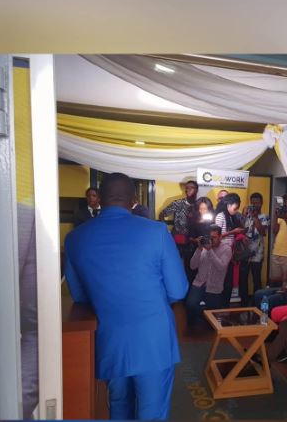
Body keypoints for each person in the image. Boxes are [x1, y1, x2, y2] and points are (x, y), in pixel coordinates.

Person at [64, 172, 188, 420]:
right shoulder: (156, 232)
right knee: (151, 413)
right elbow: (178, 290)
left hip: (110, 340)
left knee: (119, 405)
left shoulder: (75, 238)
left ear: (99, 199)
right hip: (153, 341)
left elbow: (79, 295)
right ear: (133, 200)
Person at [185, 225, 232, 326]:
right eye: (210, 237)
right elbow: (192, 266)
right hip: (199, 283)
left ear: (220, 237)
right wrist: (199, 249)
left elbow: (221, 267)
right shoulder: (203, 247)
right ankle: (201, 319)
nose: (211, 240)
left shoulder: (226, 249)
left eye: (214, 237)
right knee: (190, 305)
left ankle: (207, 318)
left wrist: (210, 250)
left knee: (212, 321)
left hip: (214, 287)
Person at [239, 192, 270, 306]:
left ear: (261, 203)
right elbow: (240, 229)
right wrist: (244, 215)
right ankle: (243, 304)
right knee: (243, 280)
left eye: (257, 203)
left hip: (257, 253)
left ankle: (257, 305)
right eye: (253, 203)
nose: (255, 205)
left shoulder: (265, 216)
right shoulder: (246, 216)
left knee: (256, 279)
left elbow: (262, 232)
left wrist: (255, 217)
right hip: (245, 252)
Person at [215, 192, 245, 307]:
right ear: (228, 205)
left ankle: (225, 307)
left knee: (229, 283)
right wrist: (233, 231)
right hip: (221, 254)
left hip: (231, 254)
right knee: (222, 282)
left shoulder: (233, 217)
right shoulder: (220, 216)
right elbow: (216, 236)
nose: (236, 211)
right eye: (235, 208)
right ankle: (219, 308)